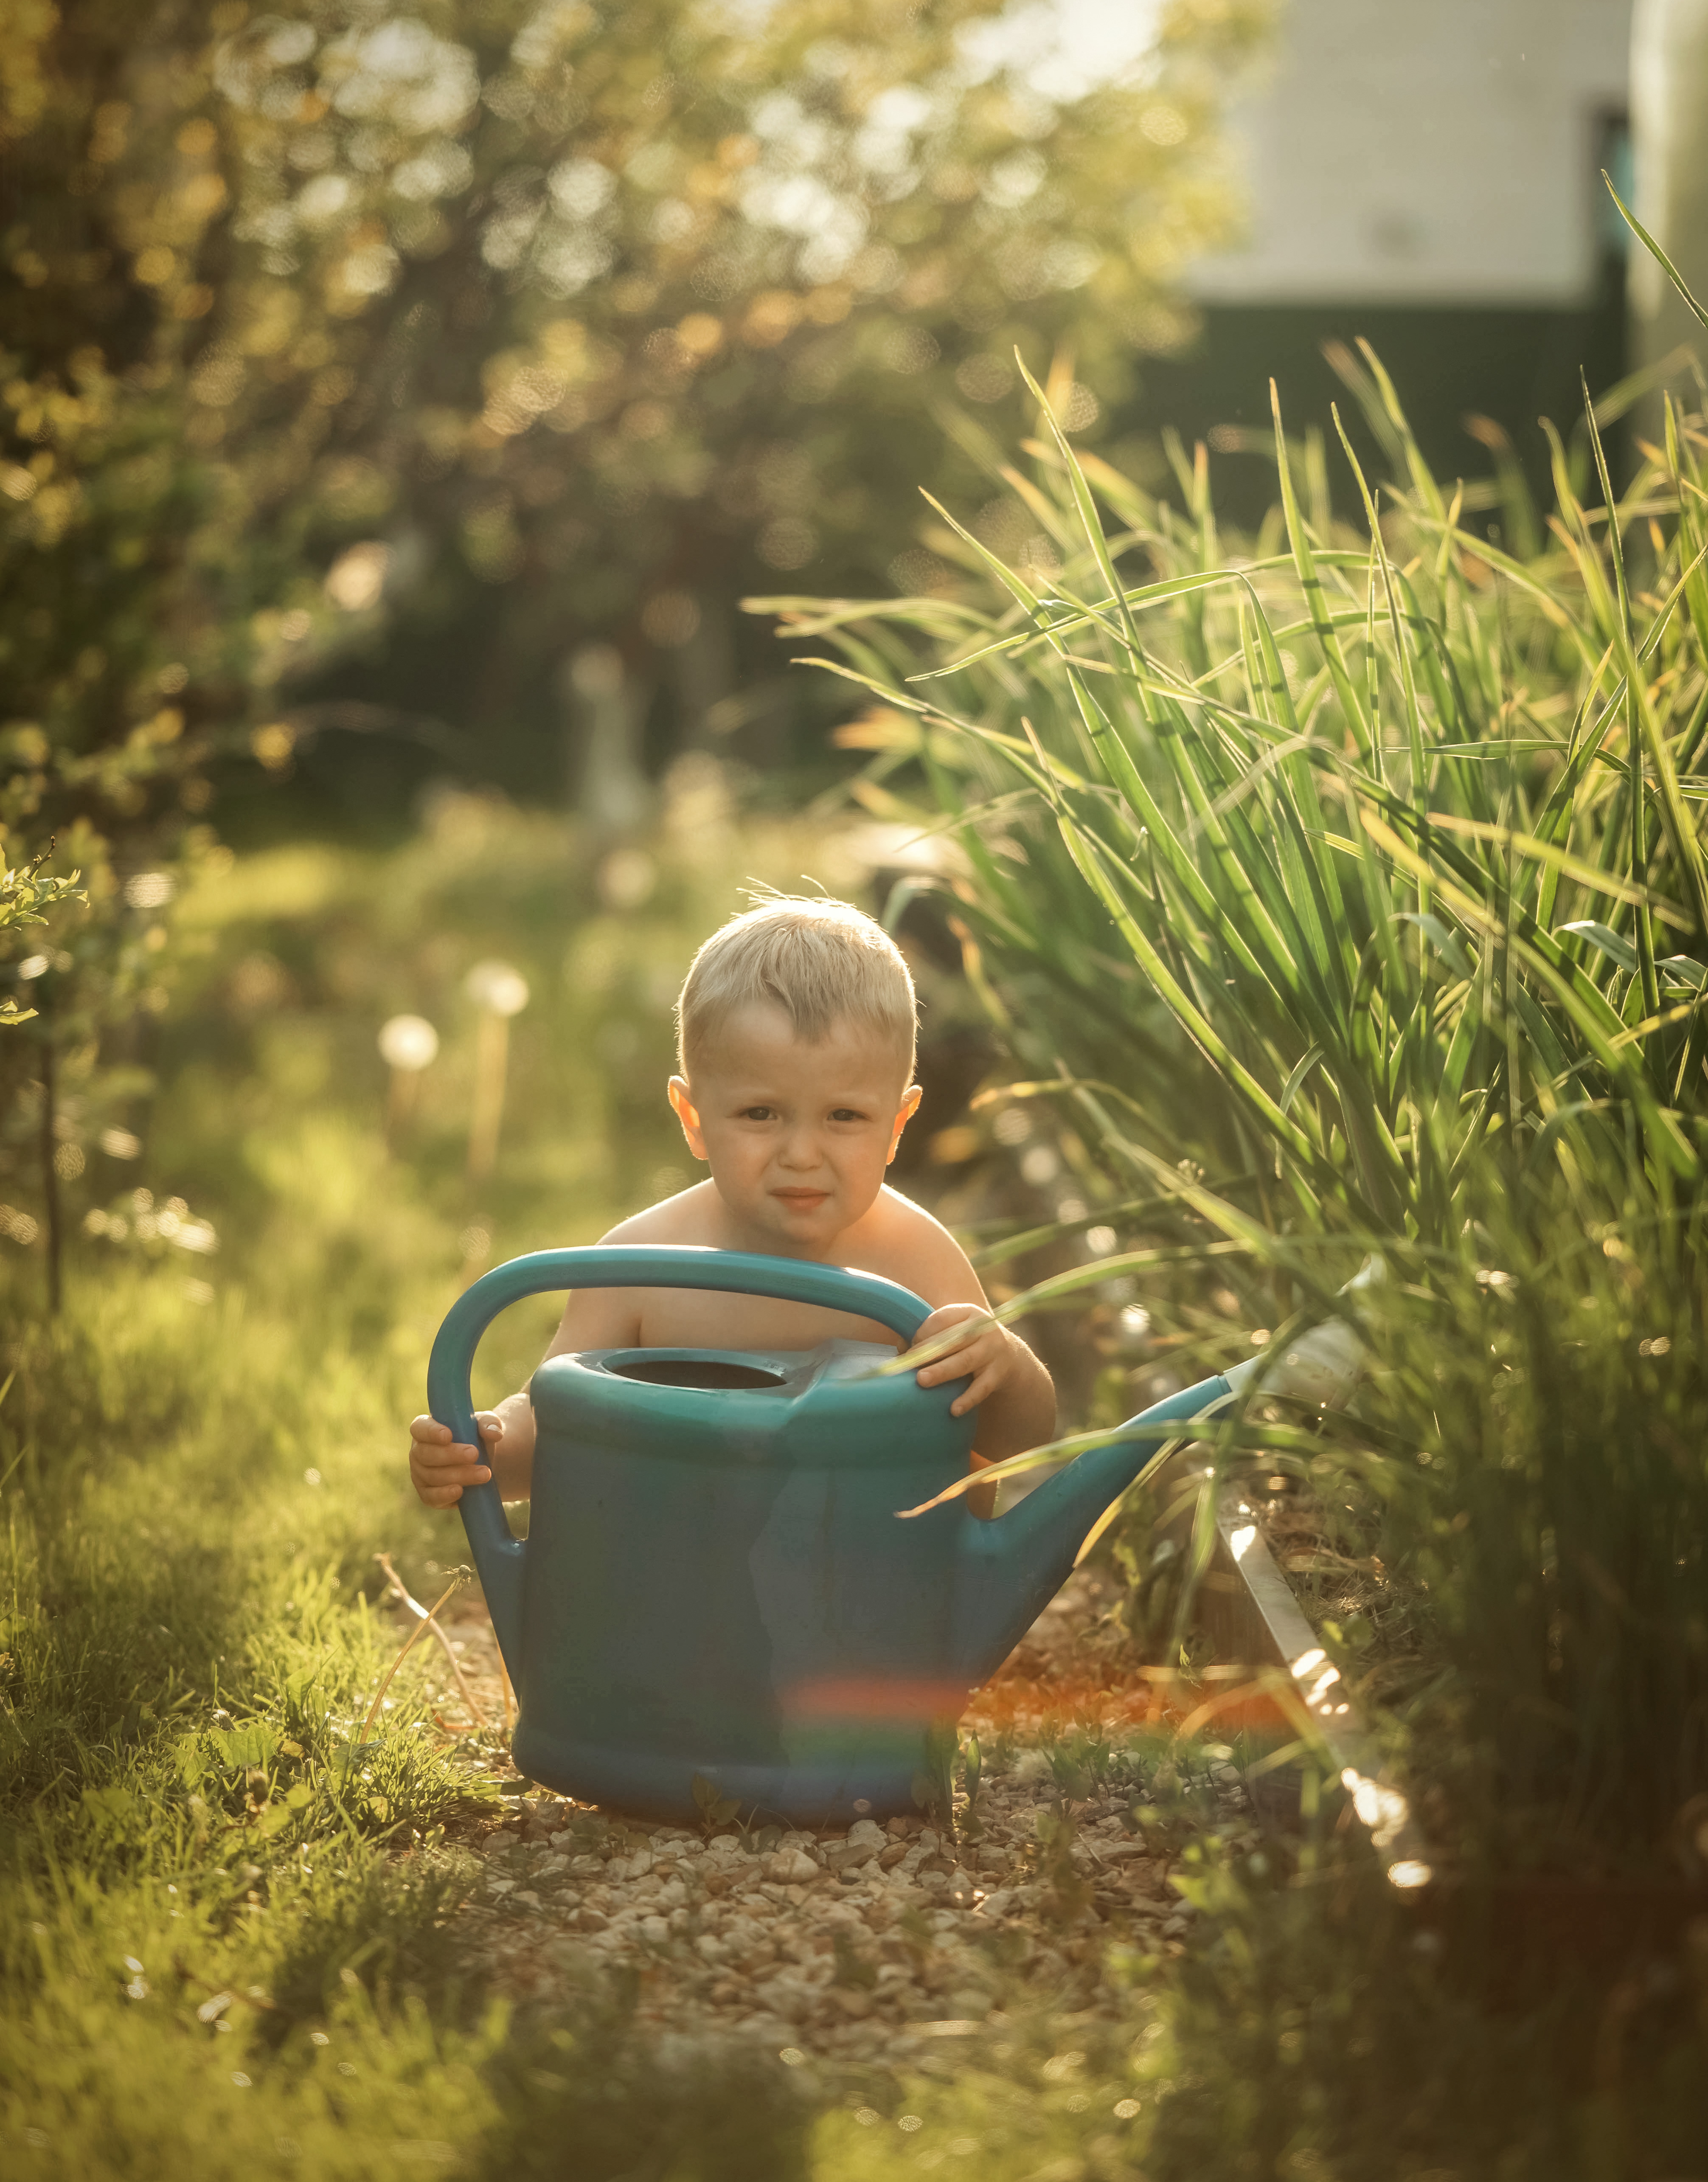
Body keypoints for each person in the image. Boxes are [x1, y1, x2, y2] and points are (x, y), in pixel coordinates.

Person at [407, 894, 1055, 1512]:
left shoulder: (915, 1261)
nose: (802, 1152)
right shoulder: (640, 1265)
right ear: (692, 1117)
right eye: (760, 1113)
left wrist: (1006, 1366)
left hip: (880, 1594)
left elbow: (1020, 1443)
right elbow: (559, 1425)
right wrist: (486, 1447)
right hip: (689, 1584)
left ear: (897, 1125)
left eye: (844, 1116)